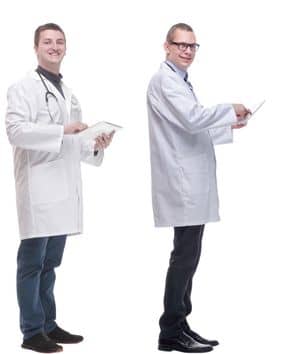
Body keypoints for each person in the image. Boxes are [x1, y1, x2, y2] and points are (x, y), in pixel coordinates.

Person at [3, 22, 113, 354]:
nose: (54, 46)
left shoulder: (69, 92)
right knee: (32, 262)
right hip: (38, 187)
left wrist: (96, 143)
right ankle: (32, 331)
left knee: (51, 263)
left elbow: (76, 144)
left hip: (63, 189)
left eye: (60, 42)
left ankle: (49, 324)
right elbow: (15, 131)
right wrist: (62, 129)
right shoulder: (22, 87)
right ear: (35, 47)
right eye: (48, 42)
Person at [146, 23, 249, 354]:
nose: (187, 51)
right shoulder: (165, 80)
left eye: (192, 46)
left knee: (188, 255)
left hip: (190, 181)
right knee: (184, 256)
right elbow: (192, 119)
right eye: (181, 45)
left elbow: (191, 127)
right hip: (182, 183)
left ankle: (180, 323)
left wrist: (226, 124)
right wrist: (227, 109)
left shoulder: (180, 81)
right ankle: (170, 330)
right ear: (167, 46)